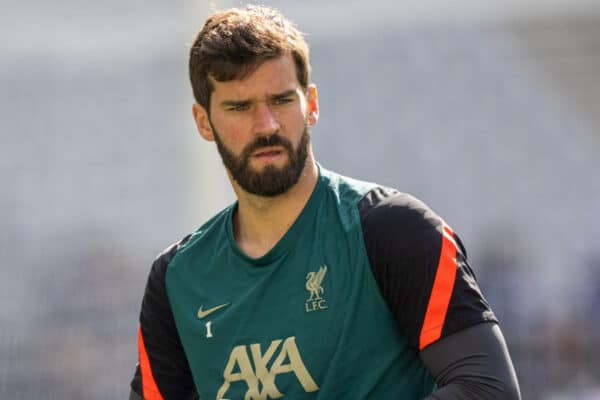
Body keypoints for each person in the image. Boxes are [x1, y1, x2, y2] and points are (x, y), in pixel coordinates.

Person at [129, 5, 521, 400]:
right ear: (203, 122)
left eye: (281, 100)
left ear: (310, 104)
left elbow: (488, 391)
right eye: (240, 107)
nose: (266, 125)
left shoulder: (394, 230)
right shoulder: (177, 279)